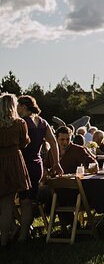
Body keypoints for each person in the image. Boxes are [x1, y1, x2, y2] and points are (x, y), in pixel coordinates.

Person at [16, 94, 58, 241]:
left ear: (23, 106)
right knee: (28, 200)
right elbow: (53, 143)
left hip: (23, 165)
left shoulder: (22, 122)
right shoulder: (42, 122)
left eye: (18, 106)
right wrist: (56, 163)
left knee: (23, 201)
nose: (16, 109)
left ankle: (22, 235)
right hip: (37, 165)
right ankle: (24, 230)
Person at [0, 93, 30, 247]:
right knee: (7, 203)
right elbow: (24, 143)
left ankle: (7, 235)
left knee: (3, 203)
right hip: (12, 160)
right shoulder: (19, 123)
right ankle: (4, 241)